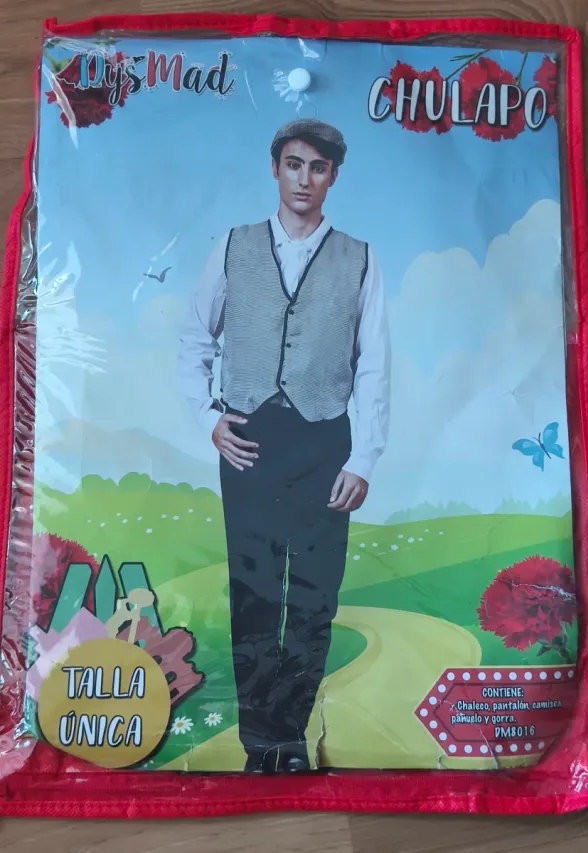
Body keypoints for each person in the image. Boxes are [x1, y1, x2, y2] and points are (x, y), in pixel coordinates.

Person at [179, 119, 390, 773]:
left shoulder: (359, 257)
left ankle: (290, 736)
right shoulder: (233, 246)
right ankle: (258, 742)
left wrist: (363, 458)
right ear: (276, 168)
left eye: (318, 168)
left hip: (325, 442)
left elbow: (374, 365)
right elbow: (195, 338)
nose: (304, 178)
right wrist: (208, 418)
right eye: (294, 164)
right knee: (255, 592)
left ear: (333, 176)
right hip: (250, 440)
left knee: (314, 597)